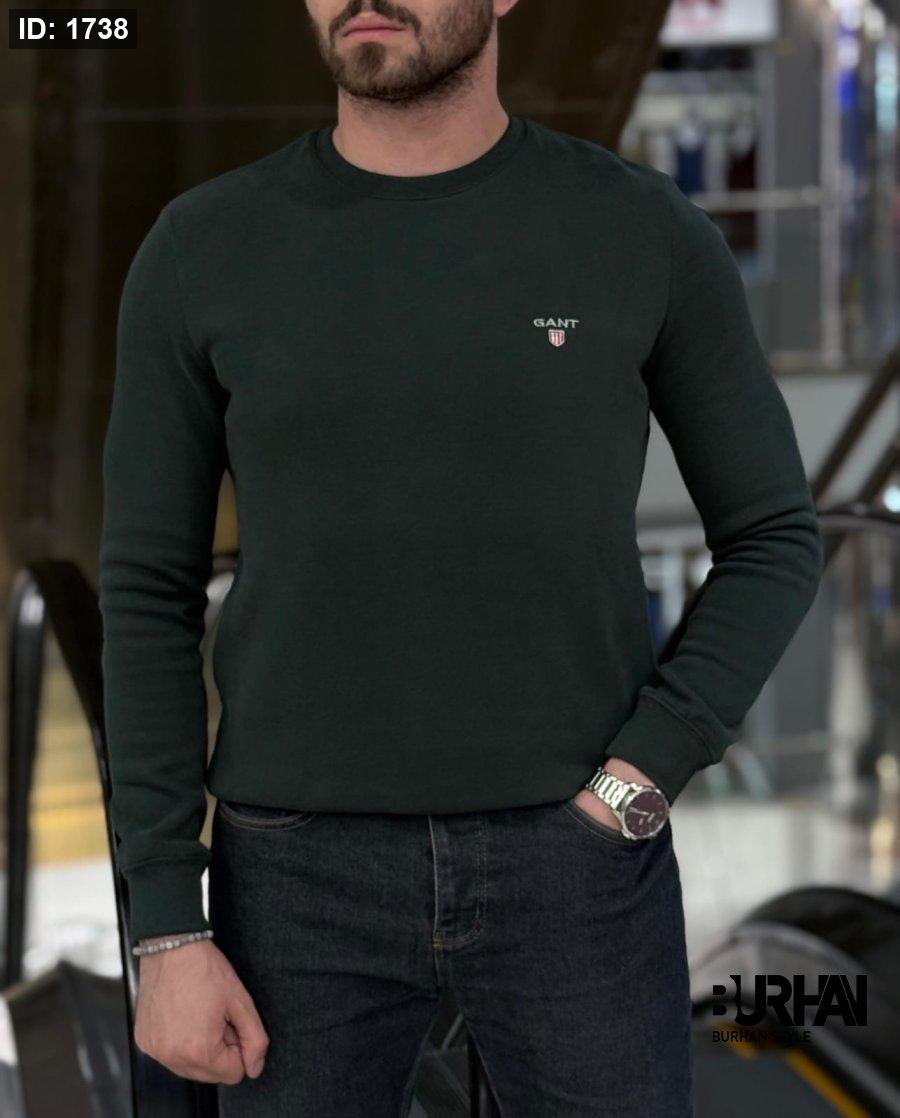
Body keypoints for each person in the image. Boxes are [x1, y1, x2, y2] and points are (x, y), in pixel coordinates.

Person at [98, 1, 825, 1114]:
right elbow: (147, 591)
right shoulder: (202, 246)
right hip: (292, 880)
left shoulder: (638, 229)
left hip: (579, 866)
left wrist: (640, 782)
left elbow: (774, 534)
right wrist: (163, 921)